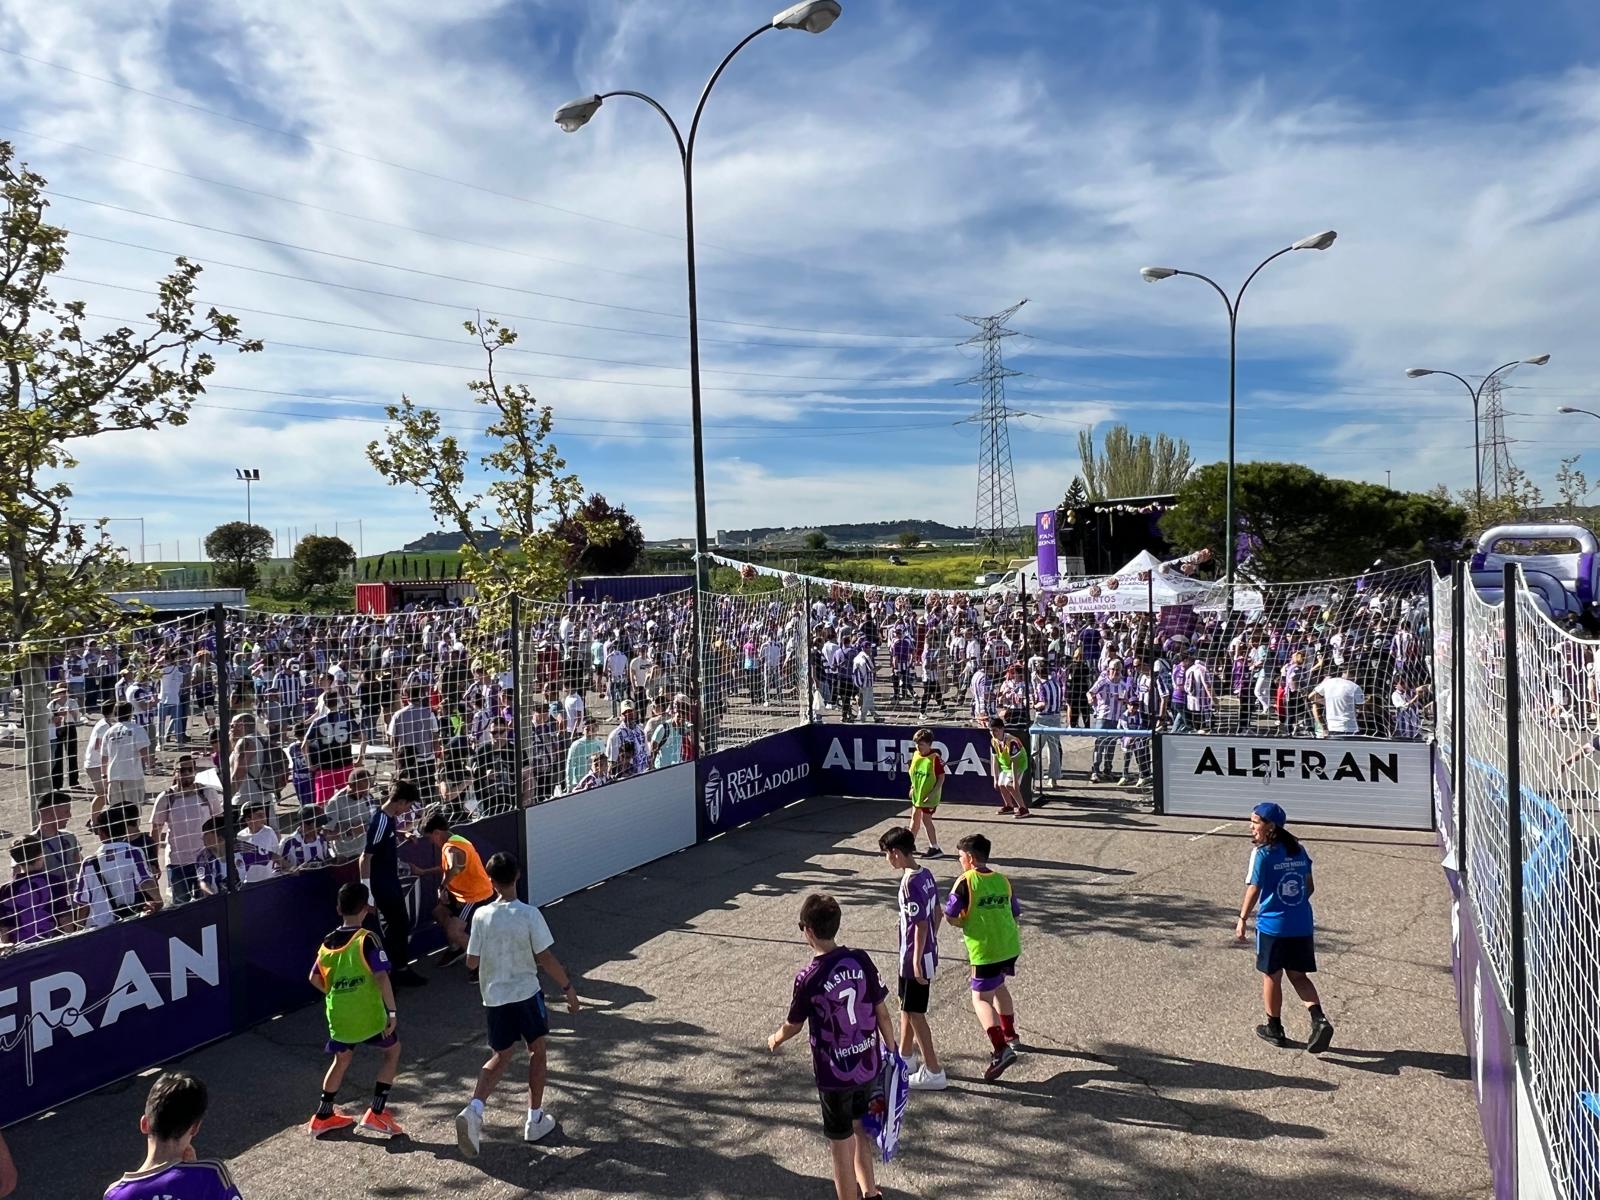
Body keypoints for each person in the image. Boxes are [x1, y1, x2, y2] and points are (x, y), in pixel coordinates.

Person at [767, 893, 895, 1200]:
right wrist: (891, 1052)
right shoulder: (860, 959)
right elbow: (882, 1012)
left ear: (809, 931)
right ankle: (870, 1191)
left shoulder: (808, 977)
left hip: (834, 1073)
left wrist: (776, 1038)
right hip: (867, 1062)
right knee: (859, 1129)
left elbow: (794, 1024)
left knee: (840, 1144)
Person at [455, 851, 581, 1156]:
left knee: (501, 1054)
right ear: (518, 875)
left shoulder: (481, 915)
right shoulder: (529, 914)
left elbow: (471, 961)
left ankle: (474, 1109)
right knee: (537, 1050)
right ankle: (534, 1119)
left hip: (494, 998)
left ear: (491, 881)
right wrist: (568, 988)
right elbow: (545, 957)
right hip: (526, 995)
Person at [306, 882, 407, 1137]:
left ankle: (323, 1116)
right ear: (365, 909)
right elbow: (382, 976)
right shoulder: (367, 939)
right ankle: (377, 1112)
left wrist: (335, 993)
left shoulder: (327, 942)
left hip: (339, 1016)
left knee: (341, 1060)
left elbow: (314, 978)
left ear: (338, 908)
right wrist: (392, 1013)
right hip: (368, 1016)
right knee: (393, 1052)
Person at [1235, 802, 1334, 1052]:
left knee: (1272, 975)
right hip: (1301, 923)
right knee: (1298, 975)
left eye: (1255, 822)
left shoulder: (1263, 854)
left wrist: (1243, 918)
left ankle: (1275, 1028)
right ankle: (1319, 1019)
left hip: (1273, 926)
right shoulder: (1298, 850)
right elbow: (1309, 886)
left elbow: (1254, 888)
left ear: (1270, 826)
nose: (1251, 827)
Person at [944, 833, 1023, 1081]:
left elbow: (950, 913)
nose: (960, 861)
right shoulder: (1002, 879)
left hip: (985, 951)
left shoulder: (965, 881)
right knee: (999, 987)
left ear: (969, 857)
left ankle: (1001, 1049)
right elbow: (1015, 911)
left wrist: (962, 922)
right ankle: (1011, 1034)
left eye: (960, 857)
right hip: (1008, 946)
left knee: (980, 998)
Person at [103, 1071, 241, 1200]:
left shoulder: (115, 1194)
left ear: (144, 1124)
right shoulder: (211, 1175)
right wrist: (194, 1172)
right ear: (194, 1128)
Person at [878, 827, 946, 1091]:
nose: (887, 859)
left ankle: (934, 1070)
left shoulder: (909, 884)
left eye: (886, 854)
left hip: (912, 959)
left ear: (896, 853)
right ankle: (905, 1056)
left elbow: (920, 924)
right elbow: (937, 914)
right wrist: (930, 944)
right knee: (906, 1006)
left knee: (916, 1013)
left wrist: (916, 960)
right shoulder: (926, 874)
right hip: (927, 953)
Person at [359, 779, 427, 987]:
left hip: (390, 880)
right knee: (397, 926)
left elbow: (384, 837)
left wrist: (402, 833)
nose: (407, 810)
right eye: (408, 805)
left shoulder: (387, 820)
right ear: (401, 801)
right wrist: (368, 895)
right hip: (382, 885)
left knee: (398, 927)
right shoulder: (380, 821)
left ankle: (397, 970)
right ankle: (395, 973)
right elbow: (365, 858)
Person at [421, 811, 494, 964]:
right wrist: (424, 872)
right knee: (439, 912)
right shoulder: (455, 840)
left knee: (453, 931)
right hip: (461, 893)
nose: (431, 842)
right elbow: (449, 868)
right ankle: (457, 948)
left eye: (430, 837)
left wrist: (442, 887)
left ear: (437, 833)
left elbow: (454, 867)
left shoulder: (451, 847)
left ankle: (482, 964)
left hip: (474, 895)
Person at [76, 804, 162, 927]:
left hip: (97, 925)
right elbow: (145, 881)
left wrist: (79, 928)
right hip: (127, 921)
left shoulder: (88, 863)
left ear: (101, 833)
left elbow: (82, 901)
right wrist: (158, 901)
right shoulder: (133, 853)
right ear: (125, 829)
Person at [150, 756, 220, 904]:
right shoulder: (166, 798)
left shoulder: (207, 793)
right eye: (182, 770)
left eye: (190, 769)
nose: (186, 773)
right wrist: (153, 861)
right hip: (177, 861)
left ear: (195, 771)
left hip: (205, 860)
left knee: (207, 903)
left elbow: (219, 823)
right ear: (175, 772)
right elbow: (155, 831)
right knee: (180, 905)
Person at [0, 833, 73, 945]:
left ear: (15, 860)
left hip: (21, 949)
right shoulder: (55, 882)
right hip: (53, 944)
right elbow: (65, 918)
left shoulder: (6, 890)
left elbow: (5, 928)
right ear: (40, 856)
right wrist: (72, 941)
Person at [101, 702, 151, 812]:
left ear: (115, 714)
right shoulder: (137, 729)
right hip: (132, 775)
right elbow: (144, 750)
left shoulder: (109, 732)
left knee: (115, 810)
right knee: (133, 809)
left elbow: (104, 757)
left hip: (113, 775)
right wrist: (151, 765)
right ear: (131, 713)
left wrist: (104, 775)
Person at [903, 728, 945, 858]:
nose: (918, 747)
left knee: (926, 820)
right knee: (914, 819)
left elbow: (941, 777)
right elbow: (913, 774)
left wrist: (932, 793)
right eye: (916, 744)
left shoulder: (934, 758)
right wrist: (912, 787)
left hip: (929, 796)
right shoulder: (916, 755)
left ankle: (935, 847)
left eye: (921, 744)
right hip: (918, 794)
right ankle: (910, 844)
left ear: (929, 744)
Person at [986, 715, 1031, 818]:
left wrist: (1015, 781)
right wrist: (995, 778)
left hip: (1019, 764)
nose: (993, 733)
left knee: (1009, 785)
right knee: (1001, 784)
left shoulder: (1012, 741)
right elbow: (994, 760)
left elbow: (1015, 762)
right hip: (1006, 765)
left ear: (1002, 729)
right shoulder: (993, 741)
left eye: (995, 730)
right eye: (991, 731)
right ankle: (1009, 806)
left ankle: (1023, 808)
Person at [1310, 664, 1365, 738]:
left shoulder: (1329, 682)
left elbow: (1311, 696)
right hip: (1350, 728)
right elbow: (1362, 709)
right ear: (1355, 675)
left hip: (1332, 728)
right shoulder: (1355, 687)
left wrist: (1327, 702)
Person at [281, 806, 333, 870]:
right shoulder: (288, 842)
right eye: (318, 825)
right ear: (305, 825)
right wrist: (295, 870)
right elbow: (277, 870)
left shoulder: (322, 839)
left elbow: (327, 860)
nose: (321, 828)